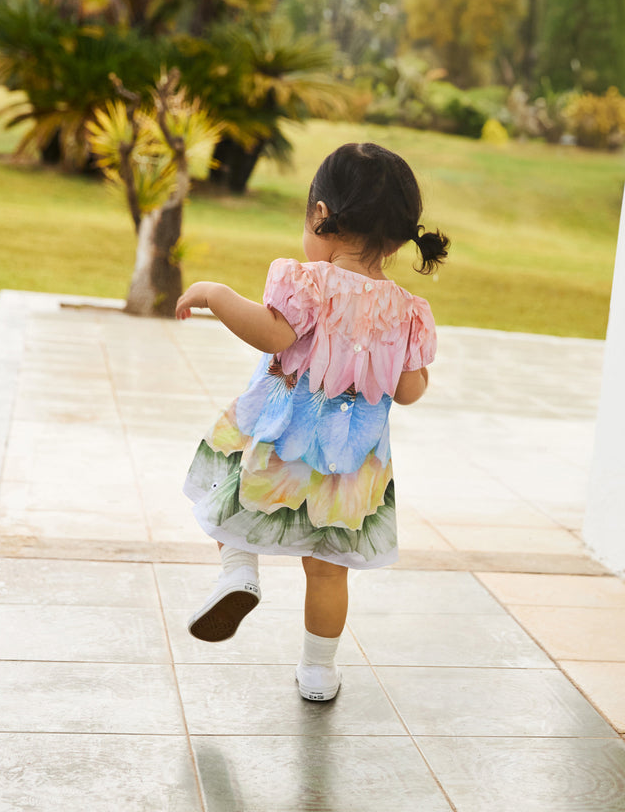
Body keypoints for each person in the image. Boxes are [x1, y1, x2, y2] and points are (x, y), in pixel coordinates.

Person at [176, 142, 449, 701]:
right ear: (399, 239)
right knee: (328, 570)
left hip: (281, 440)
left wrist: (214, 292)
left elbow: (273, 334)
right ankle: (318, 672)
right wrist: (405, 361)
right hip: (349, 465)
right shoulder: (409, 310)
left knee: (234, 497)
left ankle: (239, 575)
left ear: (320, 215)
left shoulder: (305, 282)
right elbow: (409, 390)